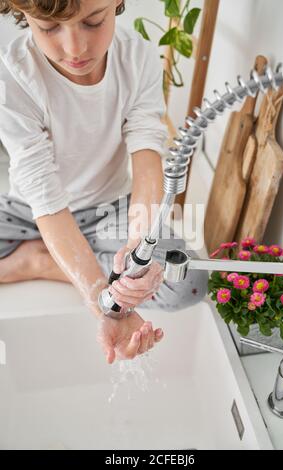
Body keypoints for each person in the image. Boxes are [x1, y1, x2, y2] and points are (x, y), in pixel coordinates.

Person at [0, 0, 207, 364]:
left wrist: (139, 246)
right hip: (27, 211)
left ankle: (55, 260)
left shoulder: (137, 56)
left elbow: (146, 150)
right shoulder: (13, 75)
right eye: (49, 29)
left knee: (186, 283)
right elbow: (44, 196)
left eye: (94, 22)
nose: (75, 48)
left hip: (110, 206)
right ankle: (38, 261)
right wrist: (102, 298)